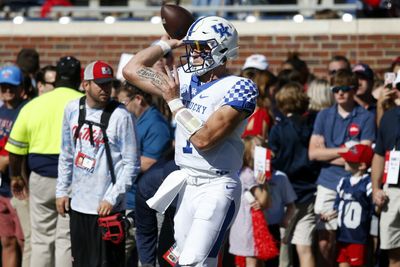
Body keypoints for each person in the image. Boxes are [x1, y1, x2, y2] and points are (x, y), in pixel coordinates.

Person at [123, 15, 258, 266]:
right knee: (179, 260)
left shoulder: (239, 88)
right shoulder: (186, 78)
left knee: (194, 262)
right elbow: (131, 70)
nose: (193, 54)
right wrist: (166, 44)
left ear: (223, 50)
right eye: (191, 47)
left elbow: (205, 139)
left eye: (201, 48)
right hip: (186, 182)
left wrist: (174, 101)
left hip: (216, 186)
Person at [56, 60, 140, 267]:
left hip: (107, 209)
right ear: (85, 84)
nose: (106, 89)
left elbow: (132, 165)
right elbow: (67, 152)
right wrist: (62, 190)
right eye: (100, 84)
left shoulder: (121, 116)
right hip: (78, 206)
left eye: (108, 84)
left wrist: (112, 198)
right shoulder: (73, 109)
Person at [5, 56, 83, 267]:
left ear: (56, 78)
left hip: (40, 178)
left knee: (41, 240)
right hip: (74, 179)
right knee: (65, 240)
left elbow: (15, 148)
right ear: (79, 78)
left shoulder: (34, 105)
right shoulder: (84, 104)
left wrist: (16, 177)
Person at [308, 69, 375, 267]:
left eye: (345, 89)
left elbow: (364, 156)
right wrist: (347, 151)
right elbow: (313, 154)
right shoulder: (324, 115)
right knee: (324, 239)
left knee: (354, 239)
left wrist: (328, 153)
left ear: (354, 90)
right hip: (328, 183)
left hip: (356, 184)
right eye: (336, 89)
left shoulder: (365, 117)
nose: (340, 93)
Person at [118, 82, 172, 266]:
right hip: (129, 199)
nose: (121, 107)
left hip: (146, 204)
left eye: (123, 102)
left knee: (145, 257)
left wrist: (114, 161)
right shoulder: (135, 121)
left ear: (138, 99)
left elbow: (150, 163)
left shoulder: (156, 125)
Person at [268, 82, 319, 267]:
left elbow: (273, 161)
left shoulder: (278, 130)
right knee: (304, 248)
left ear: (281, 104)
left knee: (284, 246)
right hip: (308, 191)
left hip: (285, 196)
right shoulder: (312, 127)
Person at [321, 144, 374, 267]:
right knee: (342, 263)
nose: (345, 160)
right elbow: (339, 207)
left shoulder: (368, 183)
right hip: (342, 235)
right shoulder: (343, 182)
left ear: (361, 165)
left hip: (358, 236)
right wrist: (330, 215)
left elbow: (373, 208)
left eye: (350, 160)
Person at [228, 135, 272, 267]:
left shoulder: (239, 172)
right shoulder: (249, 175)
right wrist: (264, 185)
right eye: (257, 148)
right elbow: (264, 202)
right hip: (249, 226)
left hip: (239, 225)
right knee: (252, 261)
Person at [0, 65, 27, 267]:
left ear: (21, 88)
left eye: (12, 87)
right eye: (3, 86)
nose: (7, 91)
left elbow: (29, 145)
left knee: (24, 240)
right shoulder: (0, 111)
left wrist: (6, 161)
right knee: (7, 240)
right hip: (1, 188)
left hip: (20, 185)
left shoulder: (26, 111)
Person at [371, 95, 400, 267]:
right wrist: (376, 188)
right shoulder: (389, 117)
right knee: (394, 254)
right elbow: (379, 154)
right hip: (392, 191)